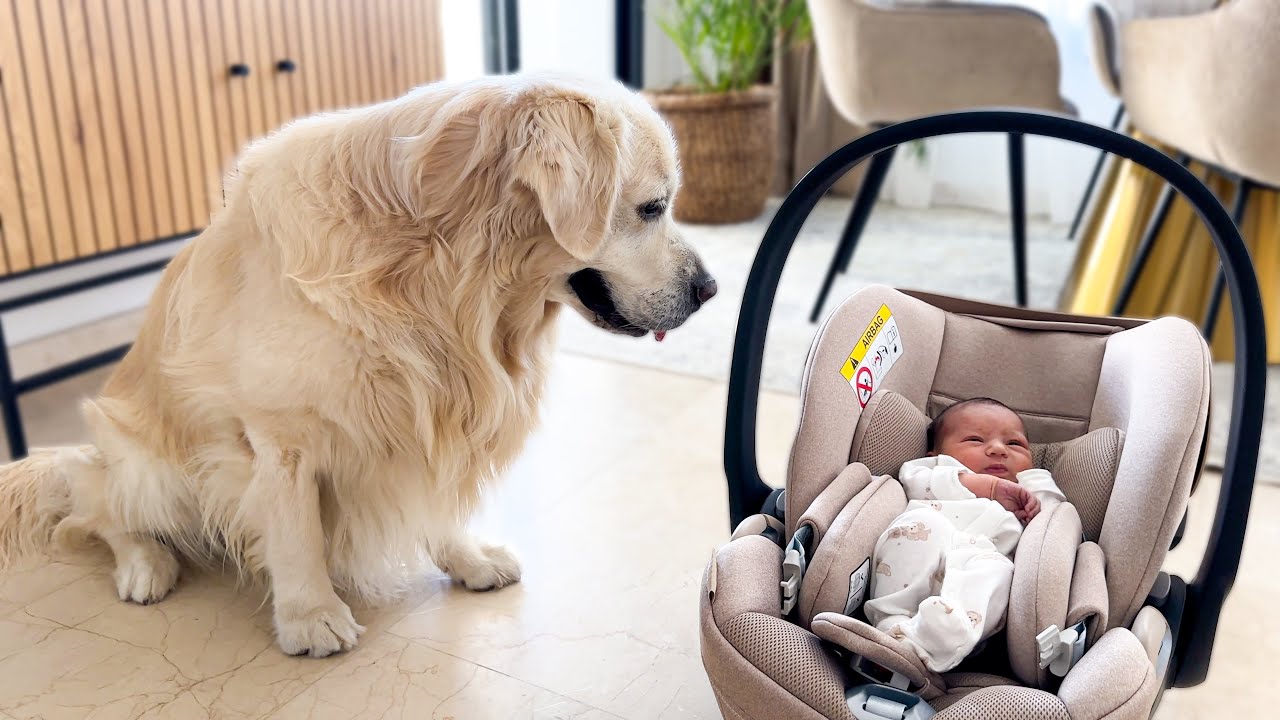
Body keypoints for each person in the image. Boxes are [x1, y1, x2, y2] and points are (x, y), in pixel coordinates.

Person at [863, 397, 1066, 672]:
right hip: (928, 544)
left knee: (998, 571)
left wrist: (1035, 490)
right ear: (936, 453)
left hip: (984, 561)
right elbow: (914, 482)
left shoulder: (1030, 485)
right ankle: (891, 625)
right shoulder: (936, 469)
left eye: (1014, 444)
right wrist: (985, 486)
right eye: (975, 440)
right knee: (918, 524)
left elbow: (1053, 529)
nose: (998, 449)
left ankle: (939, 638)